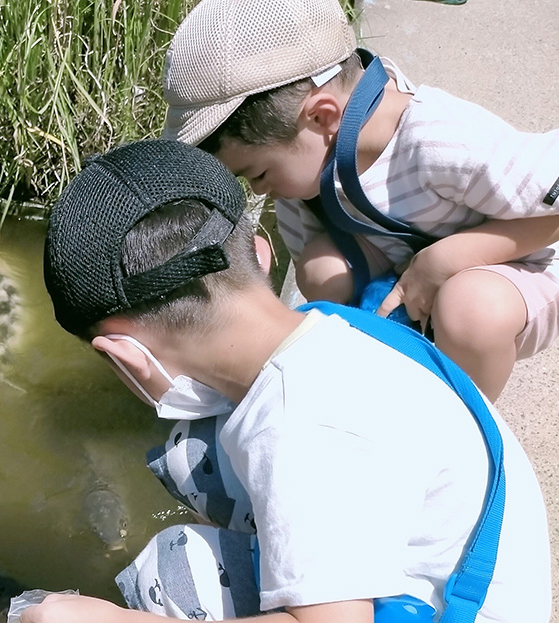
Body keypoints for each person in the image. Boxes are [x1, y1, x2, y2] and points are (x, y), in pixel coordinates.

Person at [10, 138, 551, 623]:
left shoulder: (301, 424)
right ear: (260, 254)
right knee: (199, 457)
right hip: (470, 574)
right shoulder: (331, 328)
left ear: (123, 356)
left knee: (171, 570)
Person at [160, 0, 559, 401]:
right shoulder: (305, 183)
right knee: (320, 269)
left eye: (259, 174)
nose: (260, 191)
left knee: (470, 308)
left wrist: (444, 261)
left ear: (321, 117)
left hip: (519, 268)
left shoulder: (439, 139)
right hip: (409, 278)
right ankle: (391, 370)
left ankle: (465, 425)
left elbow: (552, 209)